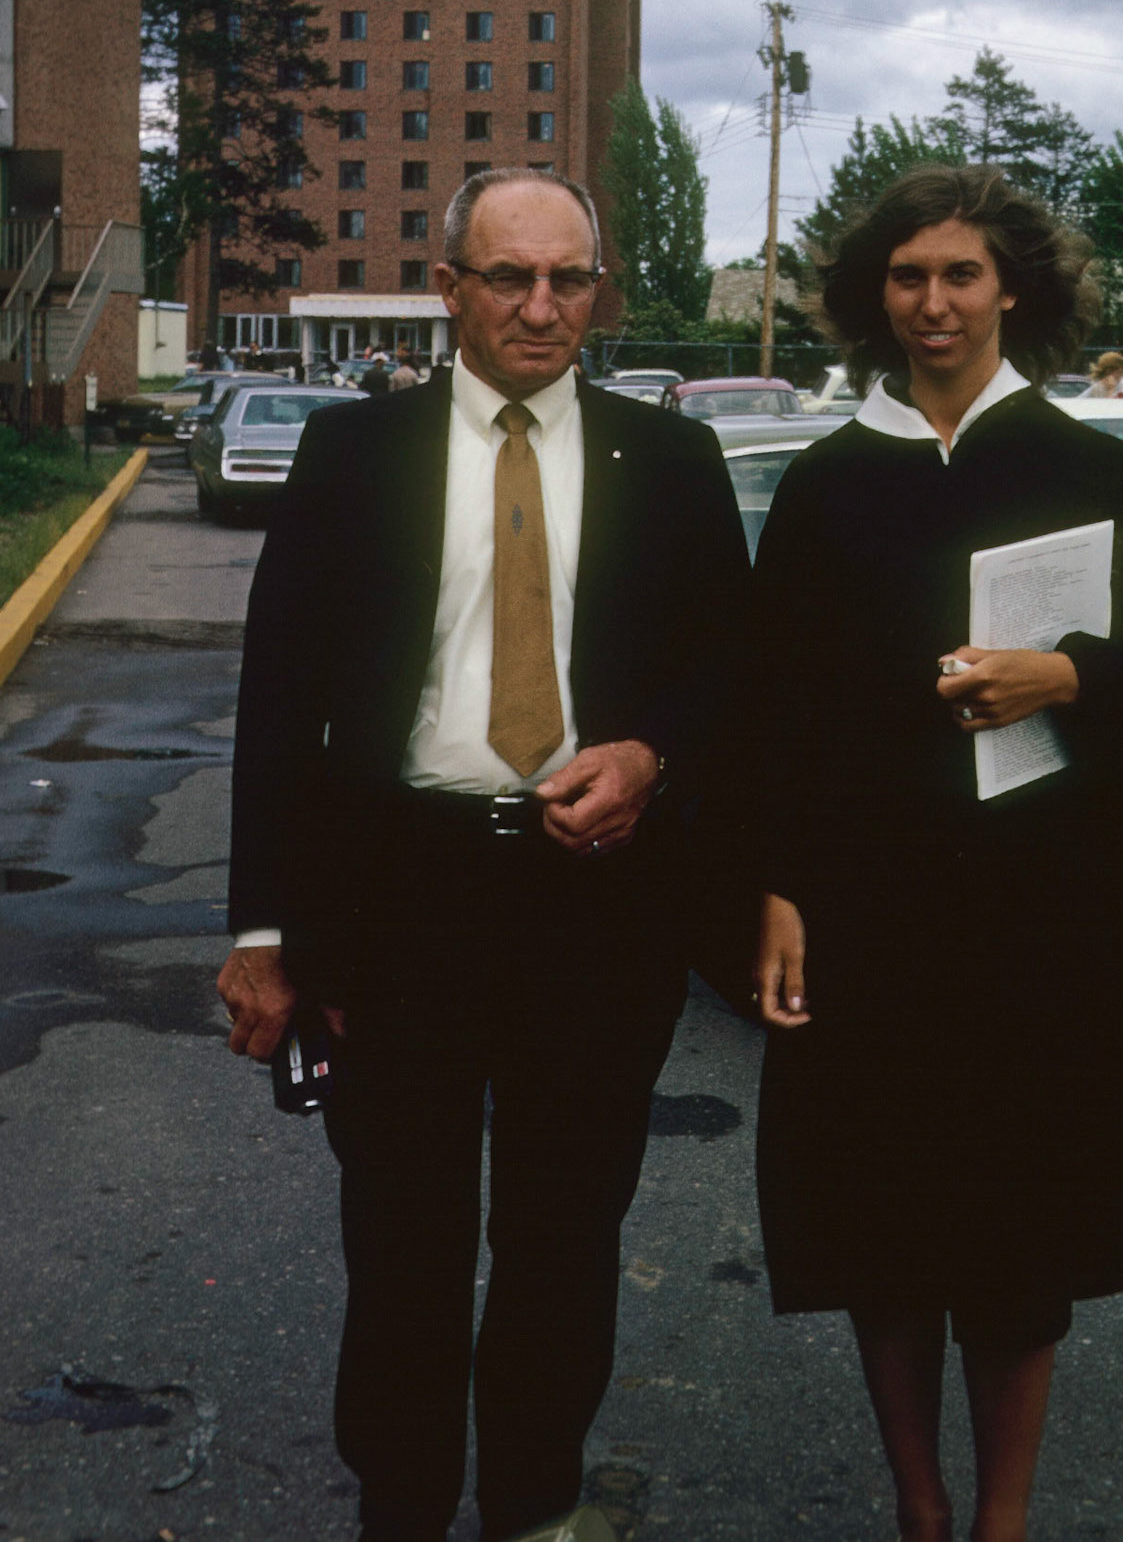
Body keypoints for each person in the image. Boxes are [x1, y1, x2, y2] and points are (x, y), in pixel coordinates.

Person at [217, 169, 748, 1542]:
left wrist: (651, 758)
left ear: (599, 294)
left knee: (565, 1237)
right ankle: (399, 1505)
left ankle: (532, 1504)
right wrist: (265, 932)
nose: (541, 307)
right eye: (511, 277)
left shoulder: (670, 461)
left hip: (598, 903)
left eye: (570, 280)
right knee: (403, 1238)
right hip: (403, 901)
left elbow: (731, 679)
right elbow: (278, 698)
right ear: (449, 288)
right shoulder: (355, 452)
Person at [750, 166, 1123, 1542]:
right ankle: (920, 1506)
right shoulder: (826, 488)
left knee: (1018, 1238)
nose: (934, 302)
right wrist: (779, 885)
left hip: (1044, 925)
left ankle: (1004, 1519)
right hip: (871, 918)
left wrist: (1074, 676)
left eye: (962, 274)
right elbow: (770, 712)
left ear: (1014, 291)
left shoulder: (1105, 477)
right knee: (884, 1229)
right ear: (875, 296)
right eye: (908, 275)